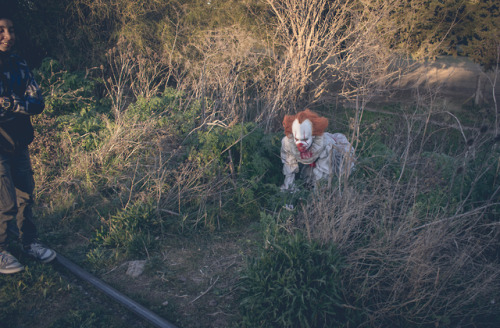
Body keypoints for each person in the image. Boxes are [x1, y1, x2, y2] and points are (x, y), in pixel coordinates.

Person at [0, 12, 56, 274]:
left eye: (11, 30)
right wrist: (20, 105)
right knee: (6, 202)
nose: (8, 36)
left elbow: (38, 103)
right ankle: (1, 250)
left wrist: (10, 103)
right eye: (1, 30)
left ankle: (28, 243)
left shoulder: (19, 64)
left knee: (26, 196)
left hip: (19, 142)